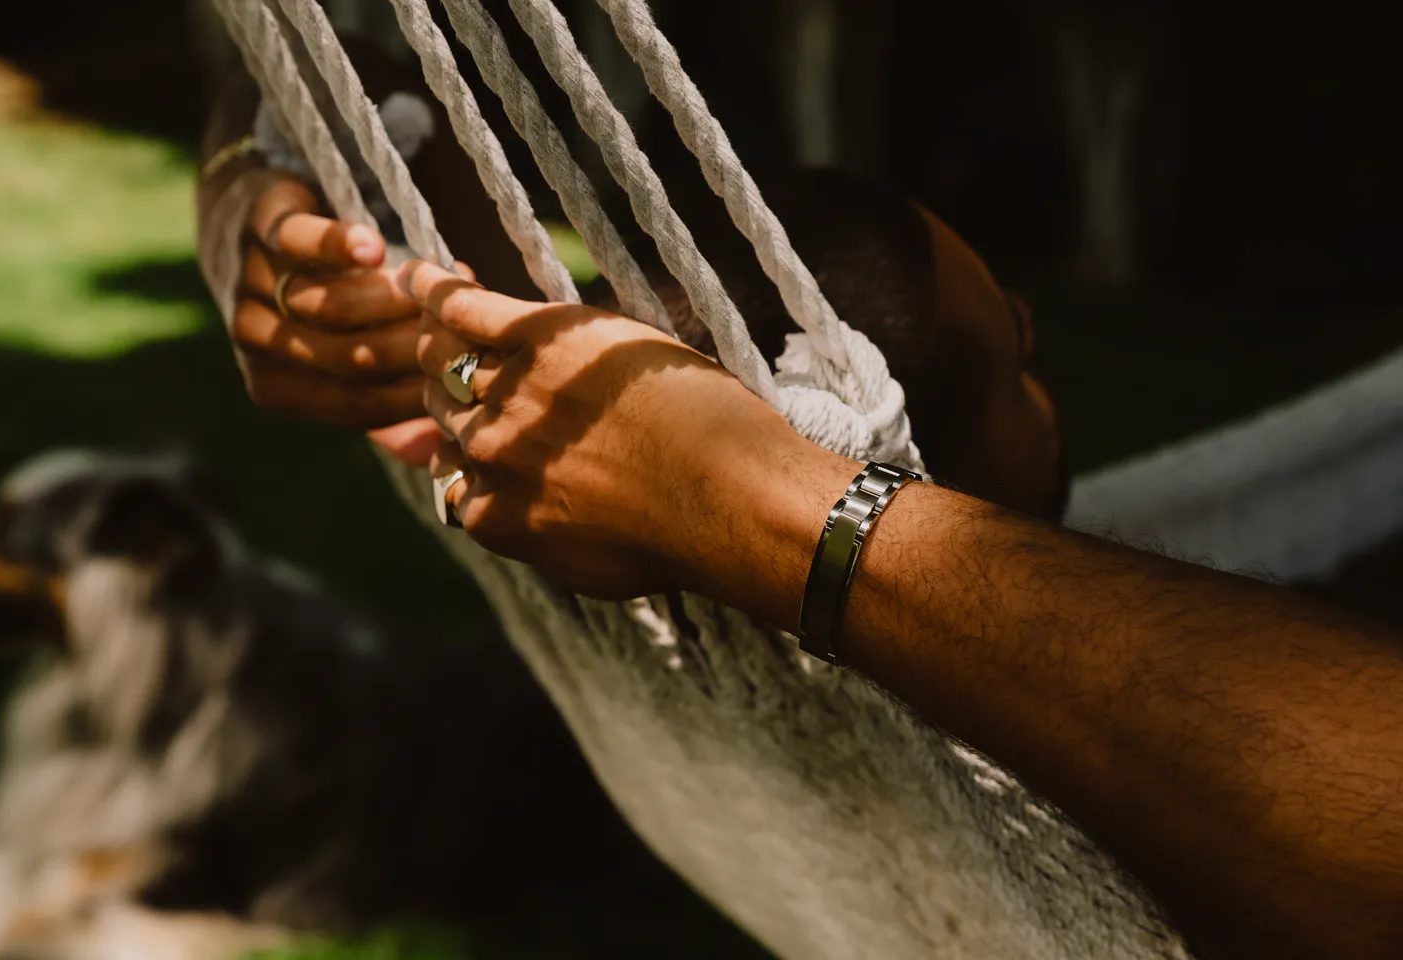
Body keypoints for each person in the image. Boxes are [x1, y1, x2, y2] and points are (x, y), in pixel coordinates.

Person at [197, 50, 1402, 960]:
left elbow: (345, 98)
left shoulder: (522, 461)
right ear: (896, 450)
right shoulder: (579, 474)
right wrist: (248, 212)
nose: (1038, 336)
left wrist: (244, 192)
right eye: (1009, 355)